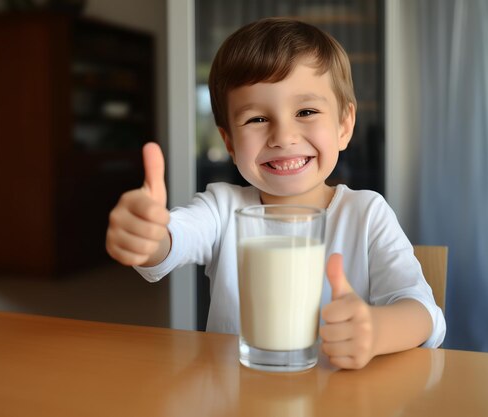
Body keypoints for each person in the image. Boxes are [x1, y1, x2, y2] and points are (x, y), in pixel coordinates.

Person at [106, 17, 446, 369]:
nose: (283, 136)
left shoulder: (367, 213)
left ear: (344, 126)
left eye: (306, 111)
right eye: (256, 119)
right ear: (229, 143)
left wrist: (376, 331)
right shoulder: (223, 208)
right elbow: (174, 238)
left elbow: (423, 312)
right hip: (237, 397)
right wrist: (148, 234)